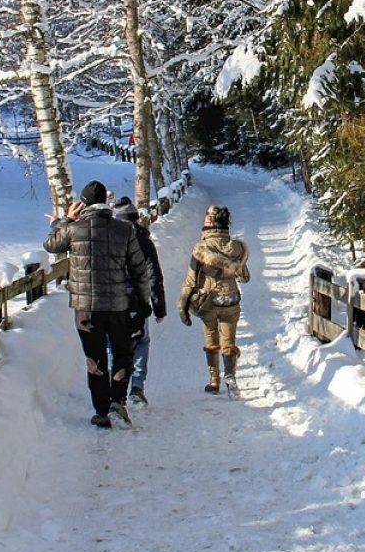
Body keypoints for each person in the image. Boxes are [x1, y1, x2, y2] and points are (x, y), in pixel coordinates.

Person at [43, 180, 152, 428]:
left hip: (86, 308)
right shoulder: (124, 230)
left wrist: (64, 221)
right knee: (122, 353)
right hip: (119, 306)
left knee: (95, 357)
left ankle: (101, 411)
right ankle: (118, 401)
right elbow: (138, 269)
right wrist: (143, 301)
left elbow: (51, 245)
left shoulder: (74, 229)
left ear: (83, 204)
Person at [178, 205, 250, 396]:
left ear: (211, 222)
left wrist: (183, 304)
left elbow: (191, 279)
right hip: (231, 300)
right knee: (229, 341)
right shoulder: (238, 248)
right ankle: (231, 377)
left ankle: (214, 380)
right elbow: (244, 277)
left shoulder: (201, 247)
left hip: (208, 300)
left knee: (211, 338)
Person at [112, 196, 167, 405]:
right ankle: (137, 386)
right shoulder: (143, 239)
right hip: (138, 301)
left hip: (113, 303)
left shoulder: (109, 239)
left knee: (114, 345)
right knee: (141, 342)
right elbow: (154, 275)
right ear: (135, 217)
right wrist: (159, 307)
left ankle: (115, 386)